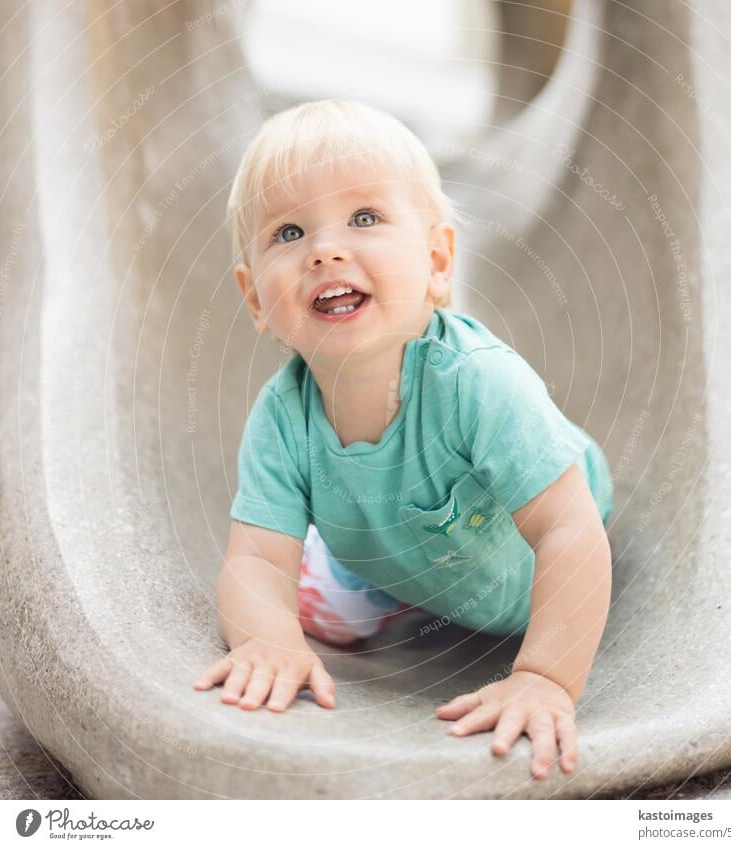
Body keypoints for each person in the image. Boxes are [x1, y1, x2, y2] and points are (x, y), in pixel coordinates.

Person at [193, 99, 614, 782]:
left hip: (537, 549)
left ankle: (376, 573)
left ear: (439, 261)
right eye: (290, 231)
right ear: (255, 300)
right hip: (402, 548)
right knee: (300, 602)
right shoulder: (281, 419)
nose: (326, 249)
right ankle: (379, 579)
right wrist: (271, 643)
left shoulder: (478, 385)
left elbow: (570, 528)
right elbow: (256, 563)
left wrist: (545, 677)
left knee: (553, 507)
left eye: (365, 218)